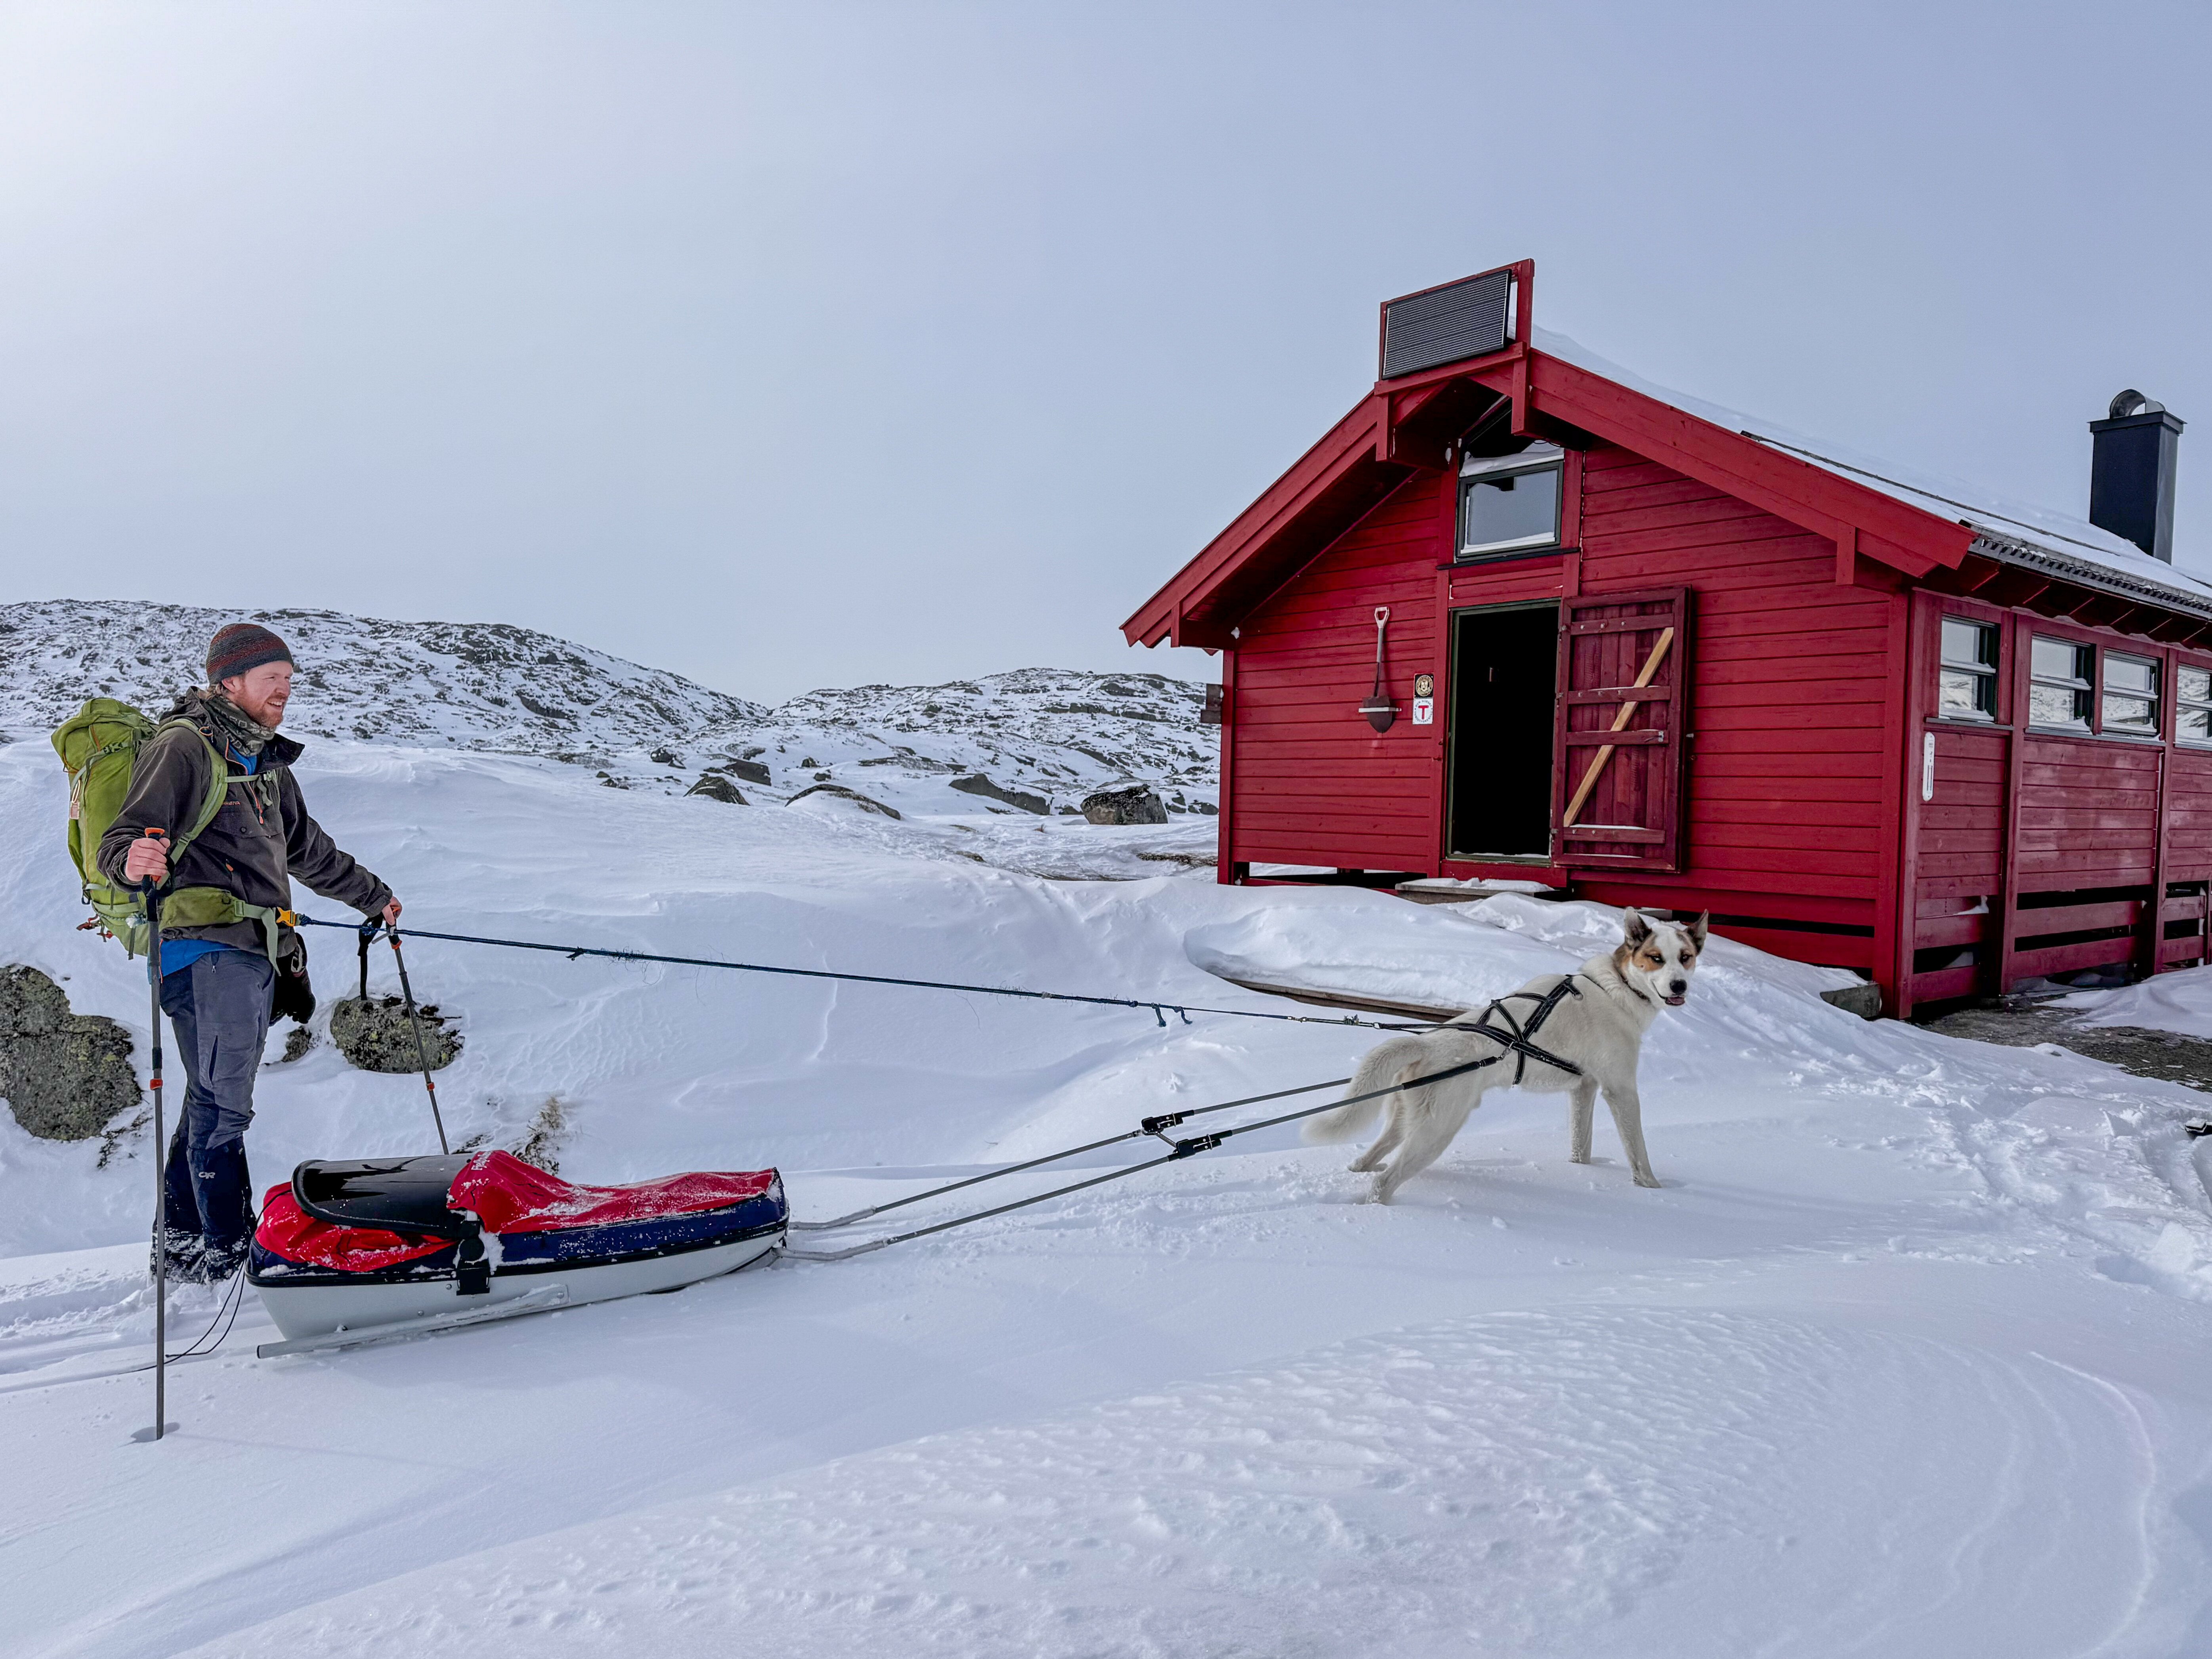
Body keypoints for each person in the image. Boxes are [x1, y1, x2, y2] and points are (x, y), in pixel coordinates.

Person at [98, 622, 401, 1283]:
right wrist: (132, 859)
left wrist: (373, 897)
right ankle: (229, 1256)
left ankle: (181, 1249)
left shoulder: (265, 762)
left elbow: (307, 850)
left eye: (289, 682)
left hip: (254, 952)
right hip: (202, 951)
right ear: (229, 682)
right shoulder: (183, 746)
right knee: (224, 1105)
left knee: (208, 1099)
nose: (284, 693)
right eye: (273, 681)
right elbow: (122, 838)